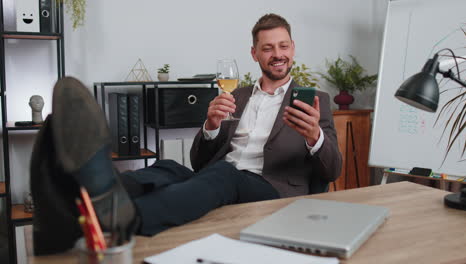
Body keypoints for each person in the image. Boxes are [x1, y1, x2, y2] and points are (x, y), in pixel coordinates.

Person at [30, 13, 341, 255]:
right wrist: (211, 126)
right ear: (254, 53)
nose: (277, 54)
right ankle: (80, 203)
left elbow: (333, 168)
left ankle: (125, 219)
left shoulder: (315, 101)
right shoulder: (240, 95)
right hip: (223, 178)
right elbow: (199, 161)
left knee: (225, 174)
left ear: (293, 49)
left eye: (283, 46)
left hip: (273, 193)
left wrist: (315, 136)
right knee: (168, 168)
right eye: (268, 48)